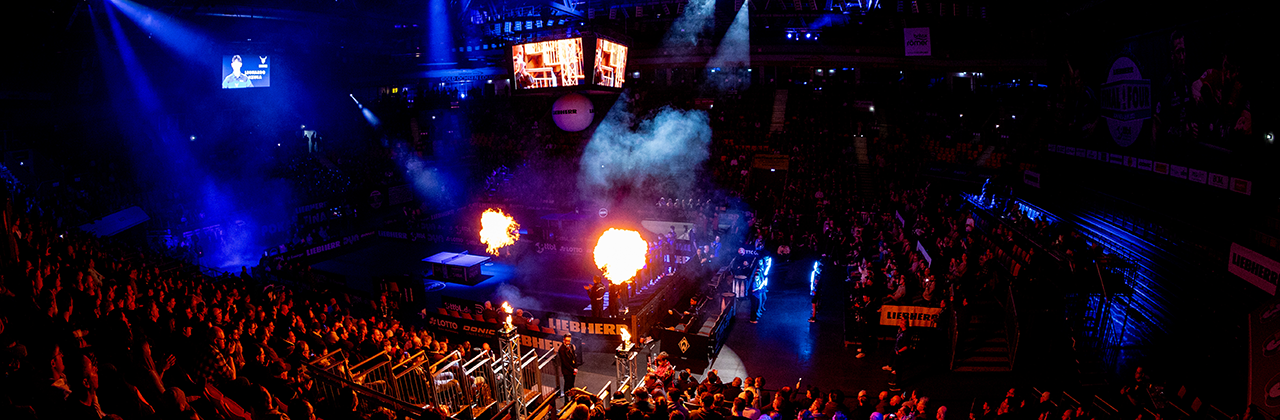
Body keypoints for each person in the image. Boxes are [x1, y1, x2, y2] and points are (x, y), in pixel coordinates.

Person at [559, 334, 582, 402]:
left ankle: (572, 398)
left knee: (572, 384)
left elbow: (574, 357)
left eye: (569, 341)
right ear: (564, 340)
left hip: (573, 369)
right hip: (567, 370)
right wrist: (572, 369)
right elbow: (565, 362)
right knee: (567, 385)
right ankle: (566, 400)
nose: (568, 342)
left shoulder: (571, 346)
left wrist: (576, 367)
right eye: (566, 341)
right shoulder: (562, 349)